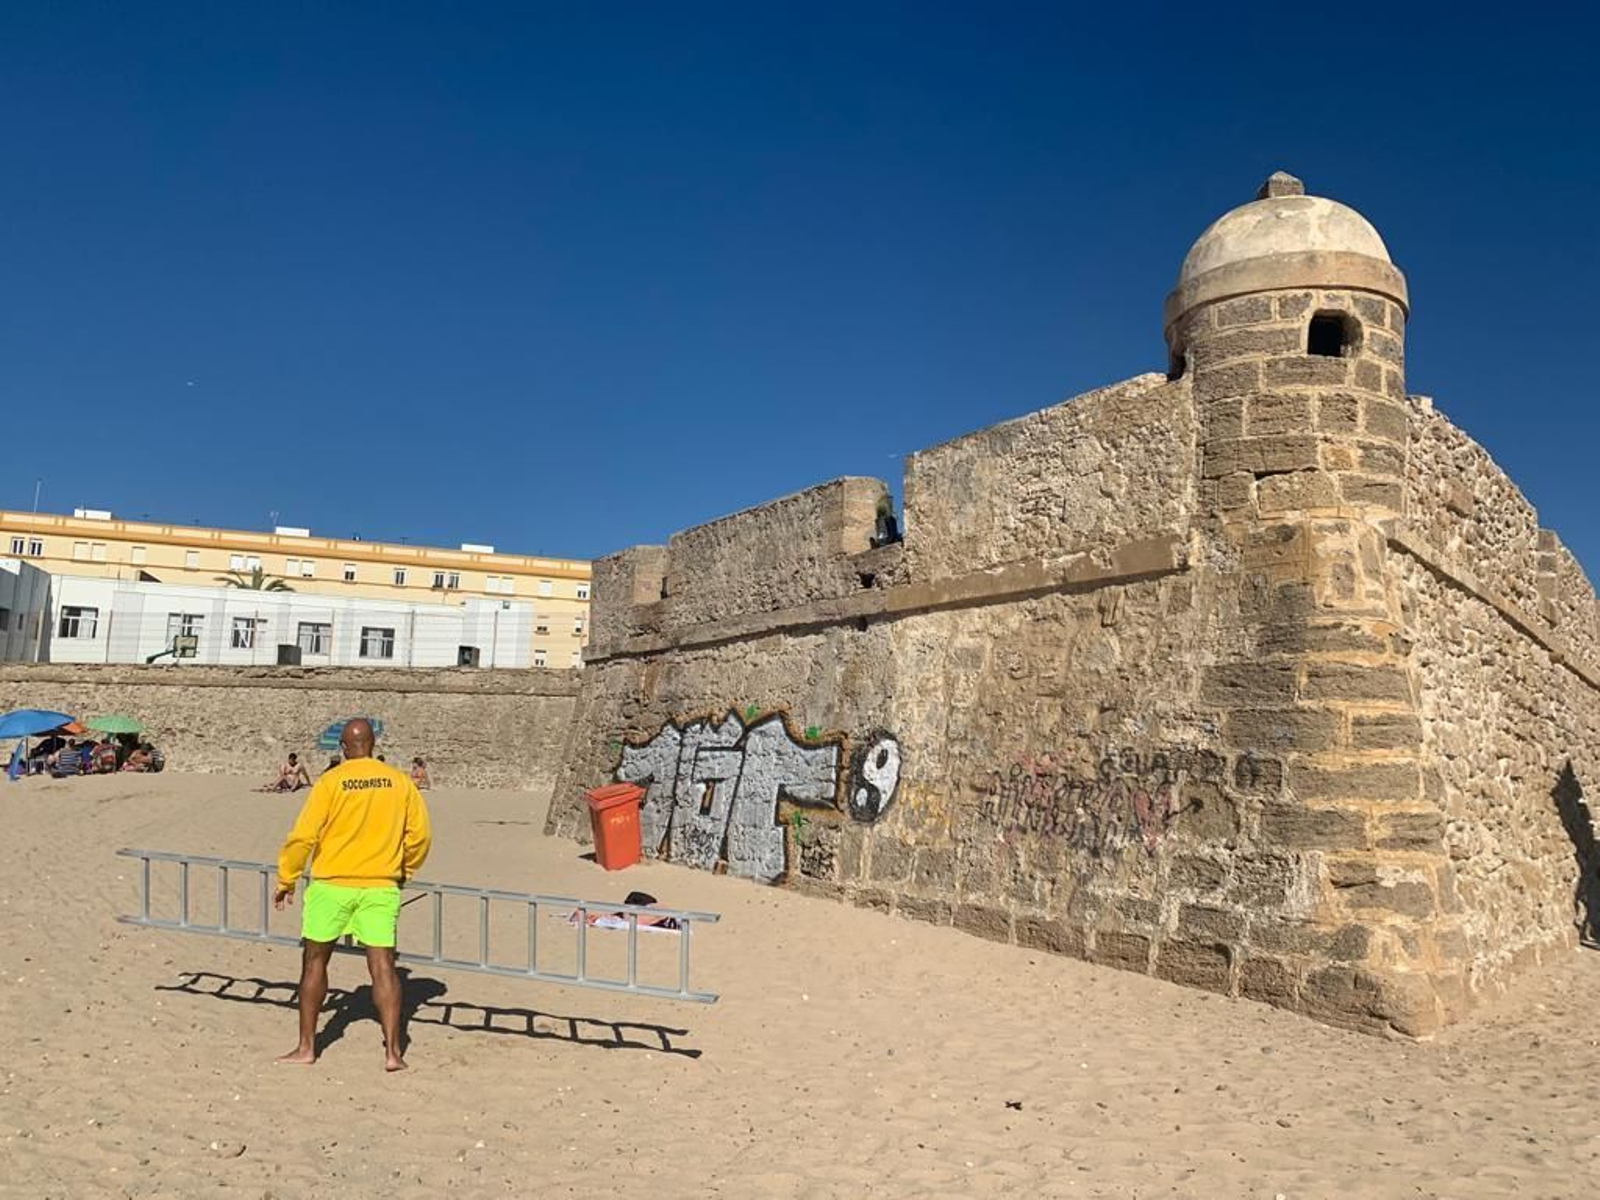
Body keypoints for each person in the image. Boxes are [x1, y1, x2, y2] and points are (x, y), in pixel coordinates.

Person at [273, 719, 430, 1071]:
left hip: (332, 883)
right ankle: (393, 1053)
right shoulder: (399, 782)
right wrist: (405, 870)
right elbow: (420, 836)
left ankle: (306, 1047)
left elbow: (303, 836)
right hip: (380, 884)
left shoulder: (331, 781)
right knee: (383, 966)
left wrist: (287, 878)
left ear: (343, 747)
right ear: (373, 745)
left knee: (314, 962)